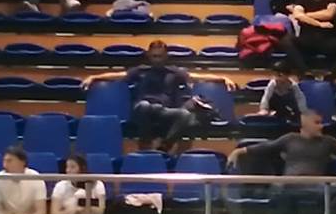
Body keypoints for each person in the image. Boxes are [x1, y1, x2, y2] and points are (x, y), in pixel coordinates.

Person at [228, 110, 336, 214]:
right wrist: (239, 151)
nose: (321, 126)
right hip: (289, 184)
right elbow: (266, 147)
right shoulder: (290, 138)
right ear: (305, 124)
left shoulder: (327, 142)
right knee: (276, 190)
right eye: (317, 123)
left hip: (315, 186)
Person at [83, 40, 235, 153]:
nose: (157, 59)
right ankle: (145, 143)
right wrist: (94, 77)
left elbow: (196, 77)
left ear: (166, 56)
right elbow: (118, 75)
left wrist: (222, 78)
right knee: (144, 106)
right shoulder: (141, 70)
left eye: (160, 56)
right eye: (154, 56)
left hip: (164, 112)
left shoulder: (174, 72)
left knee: (185, 115)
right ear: (149, 56)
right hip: (143, 109)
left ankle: (165, 147)